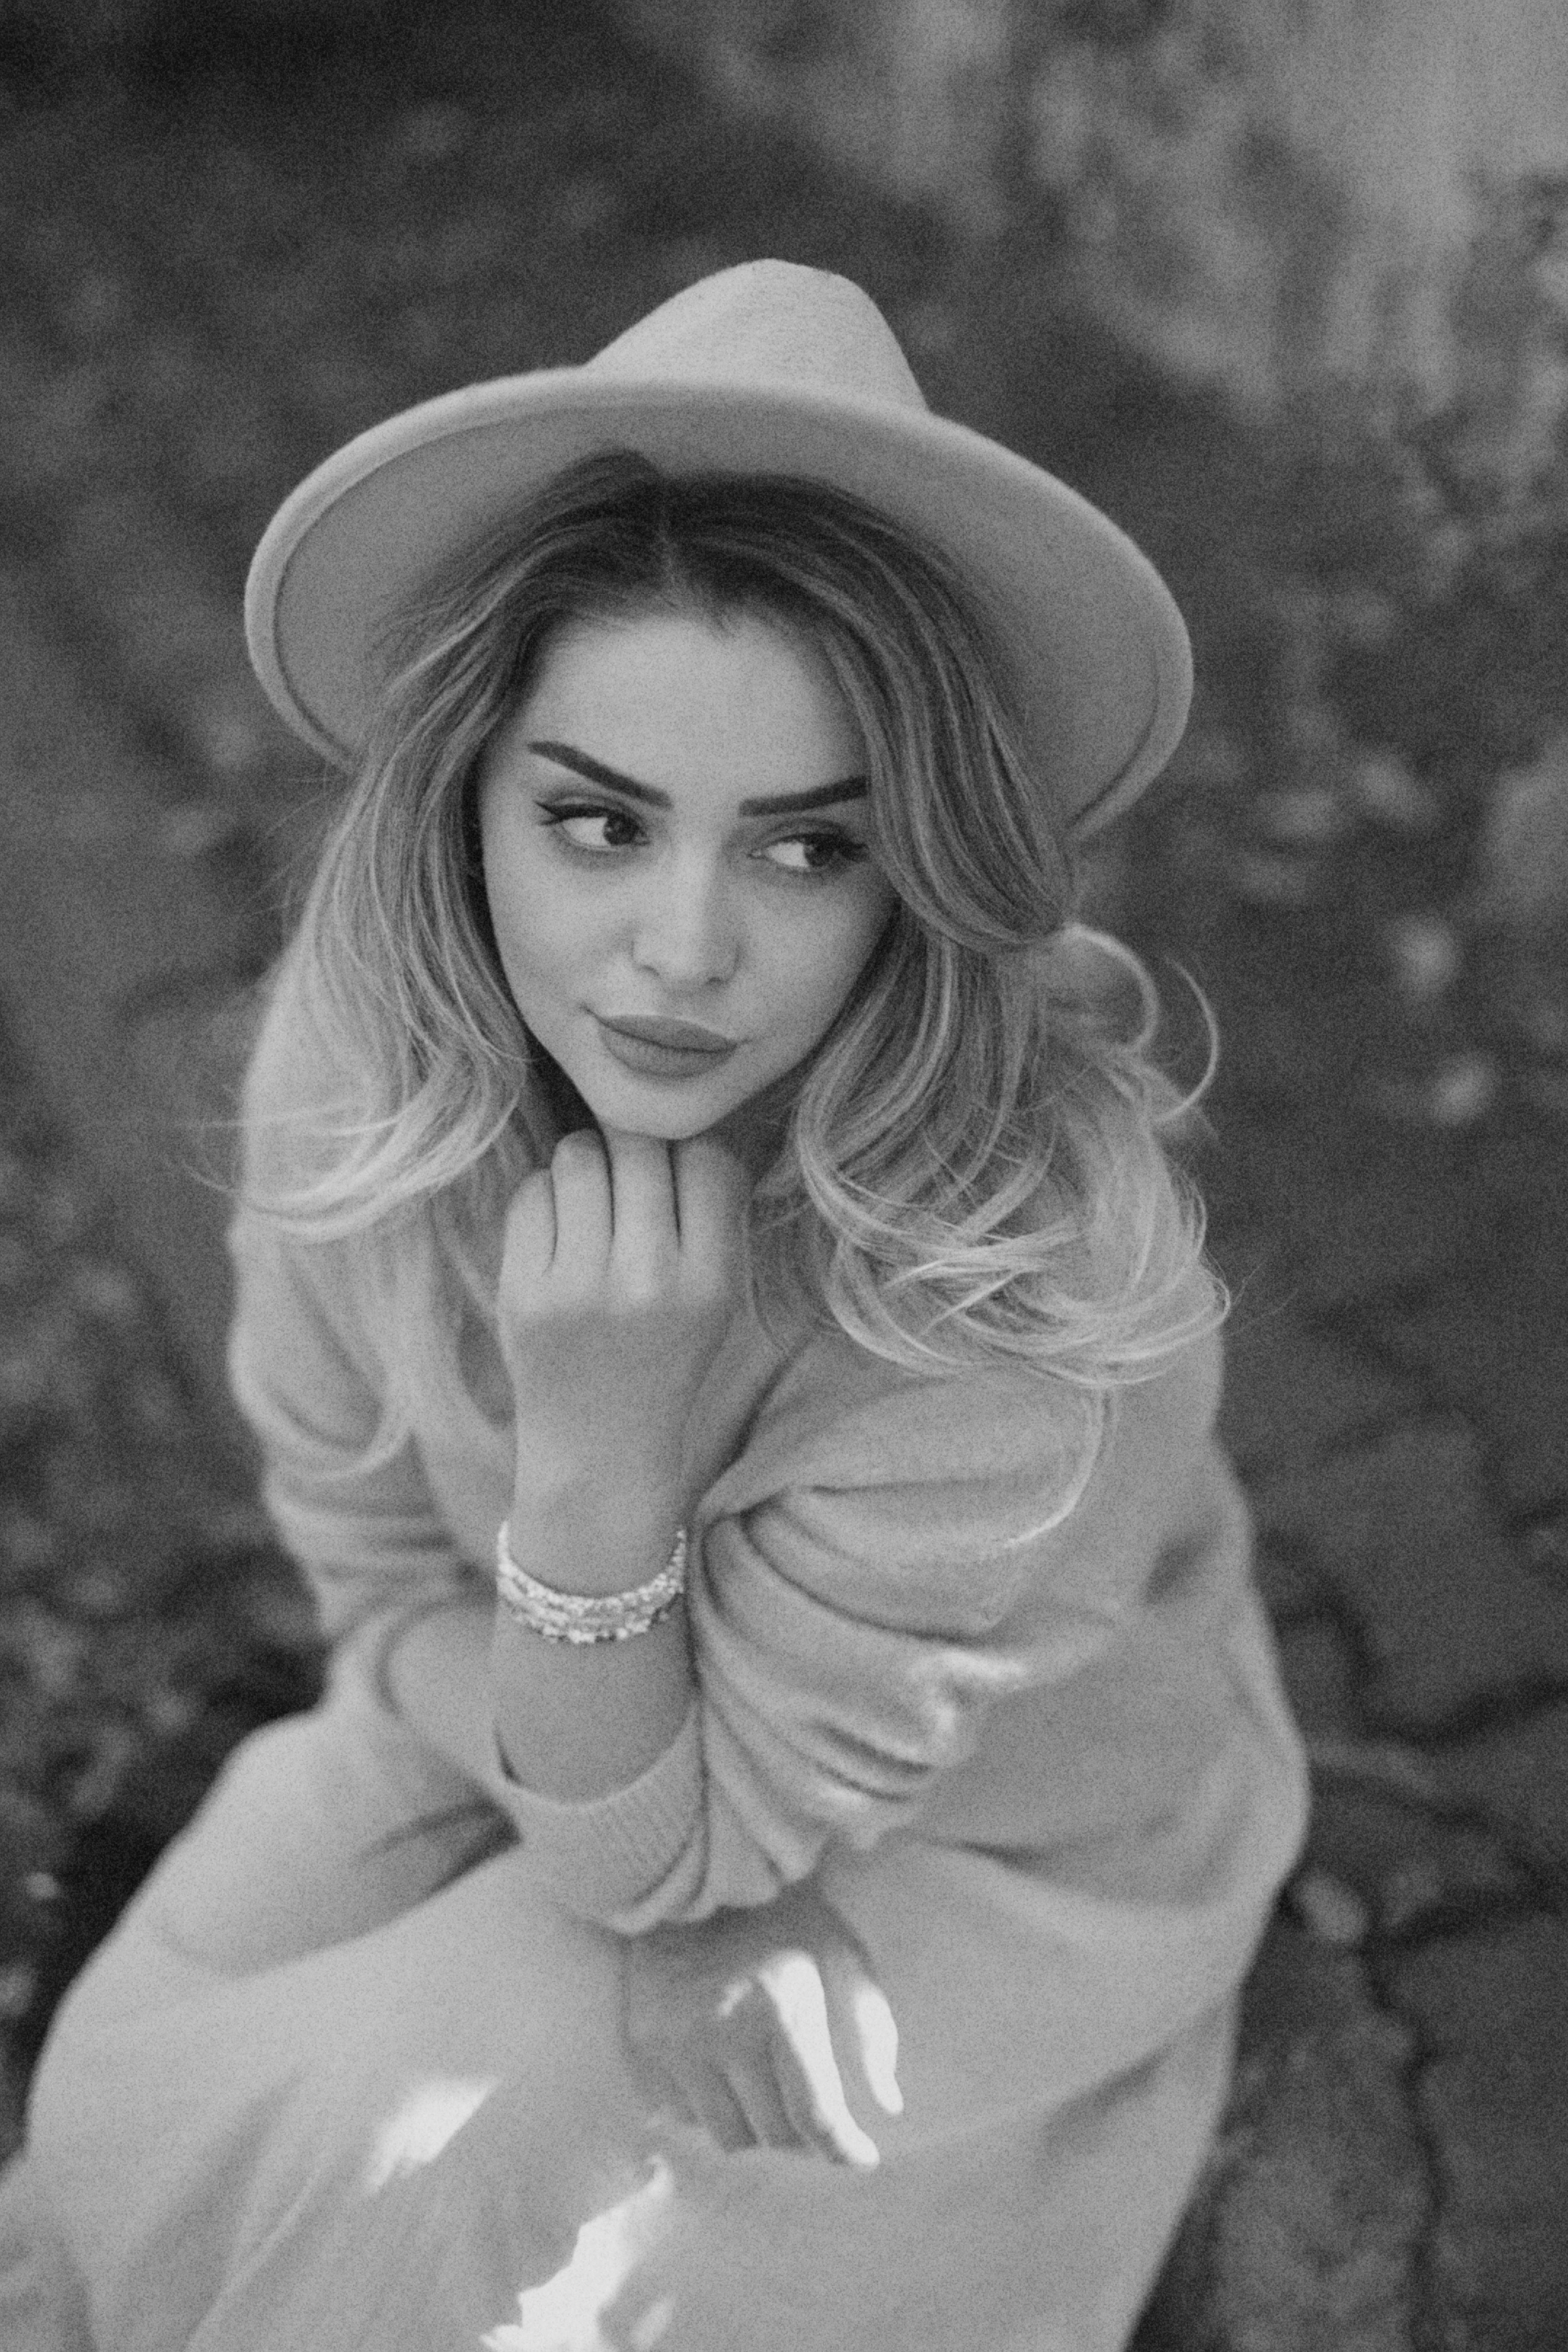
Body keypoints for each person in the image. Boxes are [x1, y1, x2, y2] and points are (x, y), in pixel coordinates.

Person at [0, 259, 1308, 2351]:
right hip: (512, 1724)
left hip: (956, 1833)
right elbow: (378, 1584)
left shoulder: (1027, 1292)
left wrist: (601, 1460)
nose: (679, 952)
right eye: (597, 821)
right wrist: (587, 1802)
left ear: (918, 874)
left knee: (416, 2174)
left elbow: (684, 1861)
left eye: (803, 853)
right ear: (466, 803)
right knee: (109, 2123)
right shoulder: (369, 1057)